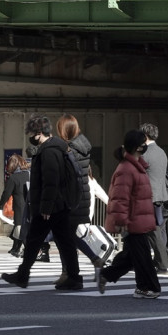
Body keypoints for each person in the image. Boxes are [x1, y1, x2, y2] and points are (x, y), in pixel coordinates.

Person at [0, 115, 82, 290]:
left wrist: (46, 206)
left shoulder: (49, 151)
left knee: (34, 239)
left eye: (31, 133)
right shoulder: (54, 148)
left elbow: (51, 181)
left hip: (50, 206)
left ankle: (23, 274)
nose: (30, 137)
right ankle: (74, 277)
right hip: (59, 205)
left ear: (38, 133)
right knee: (64, 241)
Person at [97, 130, 161, 299]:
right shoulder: (126, 169)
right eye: (142, 143)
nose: (145, 146)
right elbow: (120, 197)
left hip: (138, 217)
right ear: (136, 147)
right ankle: (151, 286)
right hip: (133, 219)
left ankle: (111, 276)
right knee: (143, 256)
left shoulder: (135, 166)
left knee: (133, 256)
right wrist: (121, 219)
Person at [56, 114, 103, 283]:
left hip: (70, 198)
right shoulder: (83, 147)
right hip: (81, 197)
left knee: (64, 237)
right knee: (67, 236)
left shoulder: (69, 150)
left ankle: (69, 272)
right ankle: (91, 261)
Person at [139, 123, 168, 274]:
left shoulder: (146, 154)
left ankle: (162, 262)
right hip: (160, 196)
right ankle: (136, 259)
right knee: (152, 230)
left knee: (153, 231)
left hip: (148, 197)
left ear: (144, 136)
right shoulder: (161, 152)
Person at [0, 154, 30, 257]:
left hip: (20, 207)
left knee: (19, 228)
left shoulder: (14, 178)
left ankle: (29, 250)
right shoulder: (29, 174)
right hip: (30, 206)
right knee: (20, 228)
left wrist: (0, 206)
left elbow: (6, 193)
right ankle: (15, 248)